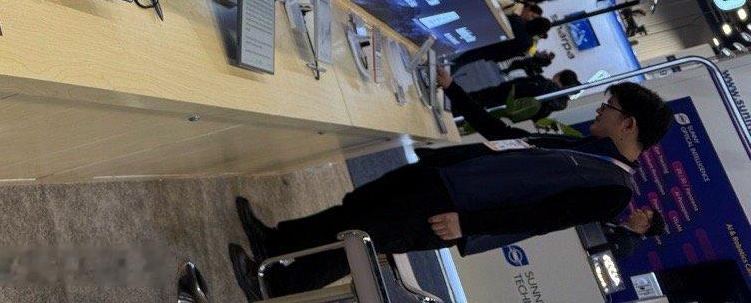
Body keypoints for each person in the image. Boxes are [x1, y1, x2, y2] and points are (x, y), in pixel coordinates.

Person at [228, 74, 672, 300]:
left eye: (610, 107)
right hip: (441, 175)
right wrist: (453, 89)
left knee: (360, 236)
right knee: (354, 208)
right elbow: (504, 136)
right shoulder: (585, 147)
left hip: (452, 208)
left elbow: (541, 217)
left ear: (628, 124)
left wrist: (468, 224)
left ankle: (278, 286)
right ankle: (277, 242)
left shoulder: (613, 188)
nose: (600, 110)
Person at [451, 13, 552, 68]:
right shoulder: (527, 43)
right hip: (488, 51)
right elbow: (509, 54)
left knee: (453, 45)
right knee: (461, 61)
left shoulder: (517, 20)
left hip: (483, 36)